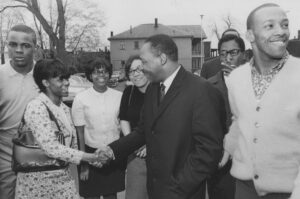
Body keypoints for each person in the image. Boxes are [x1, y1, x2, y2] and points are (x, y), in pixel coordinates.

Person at [97, 34, 226, 199]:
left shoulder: (201, 90)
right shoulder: (153, 89)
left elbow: (209, 151)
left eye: (144, 62)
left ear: (162, 58)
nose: (141, 68)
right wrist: (111, 150)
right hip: (155, 190)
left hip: (183, 193)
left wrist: (179, 188)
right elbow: (142, 131)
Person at [224, 3, 300, 199]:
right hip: (244, 188)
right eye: (270, 26)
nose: (281, 32)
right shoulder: (236, 78)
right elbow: (238, 120)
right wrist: (227, 147)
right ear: (250, 36)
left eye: (284, 25)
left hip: (288, 191)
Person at [14, 59, 101, 199]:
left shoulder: (64, 109)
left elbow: (69, 146)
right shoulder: (37, 107)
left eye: (67, 78)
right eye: (61, 79)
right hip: (37, 184)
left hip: (61, 180)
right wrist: (88, 157)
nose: (67, 82)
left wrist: (89, 160)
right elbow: (51, 147)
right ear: (45, 83)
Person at [71, 58, 126, 199]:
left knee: (111, 195)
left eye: (105, 71)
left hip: (112, 154)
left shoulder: (119, 96)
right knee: (91, 196)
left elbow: (123, 127)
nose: (101, 75)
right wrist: (84, 164)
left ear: (109, 74)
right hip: (90, 155)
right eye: (96, 72)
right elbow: (80, 133)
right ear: (90, 75)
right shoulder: (81, 98)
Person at [0, 24, 39, 199]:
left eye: (25, 45)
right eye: (13, 44)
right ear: (6, 46)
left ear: (35, 48)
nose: (18, 50)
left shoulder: (44, 75)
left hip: (39, 153)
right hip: (5, 152)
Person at [207, 34, 246, 199]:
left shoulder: (256, 83)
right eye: (223, 54)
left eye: (233, 52)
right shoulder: (208, 86)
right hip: (221, 165)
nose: (227, 58)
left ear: (244, 55)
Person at [119, 55, 150, 199]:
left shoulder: (161, 91)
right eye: (131, 71)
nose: (136, 74)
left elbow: (168, 125)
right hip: (135, 154)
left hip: (159, 152)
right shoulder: (128, 92)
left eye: (139, 69)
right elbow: (124, 119)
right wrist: (132, 142)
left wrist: (149, 145)